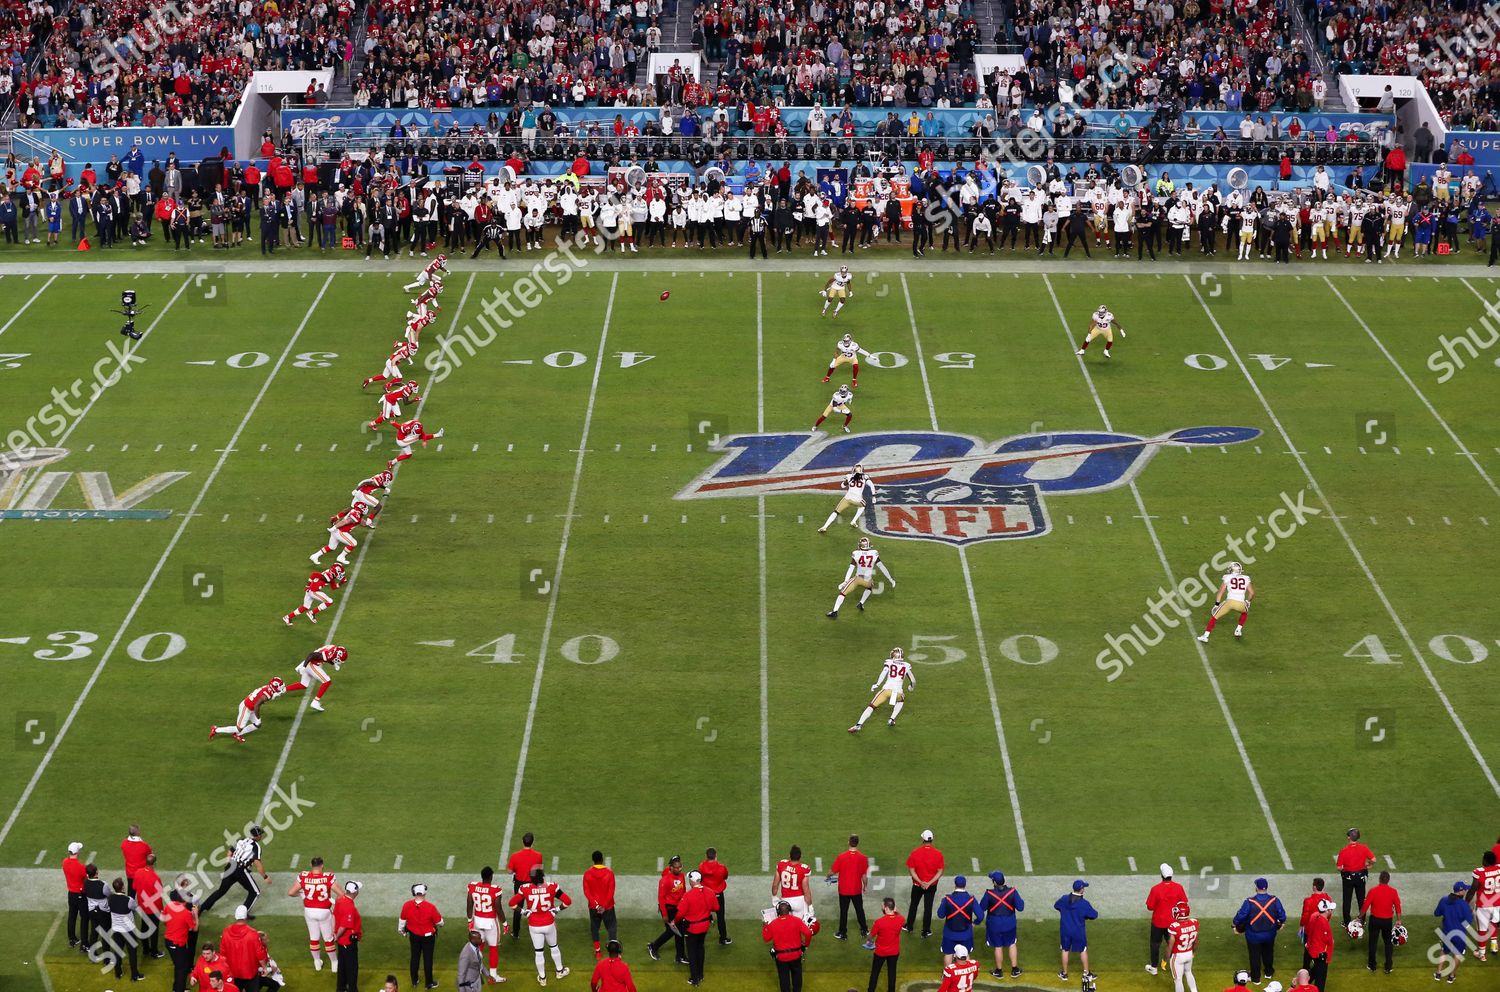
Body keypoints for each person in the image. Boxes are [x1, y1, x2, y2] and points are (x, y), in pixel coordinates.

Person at [509, 866, 571, 985]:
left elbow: (511, 904)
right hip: (549, 922)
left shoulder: (525, 888)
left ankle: (542, 978)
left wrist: (524, 912)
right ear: (542, 876)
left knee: (539, 952)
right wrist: (556, 910)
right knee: (554, 947)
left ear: (531, 879)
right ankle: (559, 971)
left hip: (534, 924)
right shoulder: (552, 886)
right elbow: (567, 901)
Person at [201, 826, 269, 917]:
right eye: (260, 834)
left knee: (221, 891)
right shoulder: (256, 847)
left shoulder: (241, 840)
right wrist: (265, 877)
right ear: (257, 836)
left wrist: (230, 864)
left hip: (231, 867)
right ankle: (243, 913)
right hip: (240, 870)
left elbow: (229, 852)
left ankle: (201, 908)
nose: (261, 836)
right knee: (255, 892)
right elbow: (257, 864)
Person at [1232, 877, 1284, 984]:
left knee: (1254, 956)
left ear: (1256, 887)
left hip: (1253, 936)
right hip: (1270, 934)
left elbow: (1241, 915)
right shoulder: (1275, 900)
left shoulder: (1249, 902)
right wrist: (1281, 922)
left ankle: (1256, 979)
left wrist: (1234, 923)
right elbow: (1282, 915)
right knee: (1268, 953)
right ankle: (1268, 972)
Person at [1146, 864, 1190, 975]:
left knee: (1155, 944)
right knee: (1173, 944)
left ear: (1161, 875)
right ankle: (1175, 965)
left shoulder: (1155, 889)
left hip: (1158, 922)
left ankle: (1154, 967)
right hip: (1173, 923)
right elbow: (1184, 902)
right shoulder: (1178, 887)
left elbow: (1150, 907)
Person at [762, 901, 815, 992]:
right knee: (797, 976)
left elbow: (766, 938)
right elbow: (808, 933)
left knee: (784, 979)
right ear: (789, 910)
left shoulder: (773, 924)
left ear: (778, 912)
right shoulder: (797, 920)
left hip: (781, 958)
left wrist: (765, 927)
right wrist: (806, 945)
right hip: (796, 955)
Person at [466, 866, 507, 981]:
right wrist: (505, 923)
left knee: (479, 946)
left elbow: (469, 903)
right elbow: (498, 908)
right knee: (493, 948)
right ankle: (493, 976)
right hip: (490, 922)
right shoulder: (495, 889)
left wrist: (470, 920)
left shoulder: (473, 886)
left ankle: (476, 971)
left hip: (477, 920)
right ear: (491, 877)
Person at [979, 871, 1023, 978]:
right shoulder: (1012, 891)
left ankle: (999, 971)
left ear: (994, 882)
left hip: (994, 924)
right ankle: (1015, 969)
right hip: (1009, 923)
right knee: (1012, 944)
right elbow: (1021, 907)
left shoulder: (989, 893)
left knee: (998, 946)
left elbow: (982, 908)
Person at [399, 884, 443, 989]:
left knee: (414, 957)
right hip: (428, 937)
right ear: (424, 893)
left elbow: (402, 921)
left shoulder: (406, 905)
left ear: (414, 893)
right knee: (428, 959)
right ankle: (429, 983)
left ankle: (414, 980)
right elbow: (440, 922)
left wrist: (402, 931)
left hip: (413, 936)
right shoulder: (430, 907)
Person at [676, 870, 717, 985]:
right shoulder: (709, 891)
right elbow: (716, 907)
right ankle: (700, 975)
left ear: (691, 881)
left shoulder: (688, 895)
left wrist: (674, 921)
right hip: (705, 926)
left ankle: (694, 979)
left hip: (692, 928)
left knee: (692, 952)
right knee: (700, 948)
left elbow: (680, 914)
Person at [1053, 879, 1097, 982]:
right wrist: (1085, 917)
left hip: (1065, 930)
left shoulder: (1064, 899)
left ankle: (1064, 974)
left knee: (1065, 950)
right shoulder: (1084, 903)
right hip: (1078, 931)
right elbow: (1094, 915)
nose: (1084, 889)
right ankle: (1086, 974)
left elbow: (1056, 906)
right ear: (1081, 890)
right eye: (1083, 888)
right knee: (1083, 950)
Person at [647, 855, 687, 964]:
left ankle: (680, 956)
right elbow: (661, 898)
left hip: (678, 908)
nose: (679, 869)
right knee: (672, 931)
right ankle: (653, 946)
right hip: (669, 909)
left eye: (680, 867)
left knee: (679, 932)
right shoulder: (665, 880)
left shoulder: (682, 876)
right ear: (671, 868)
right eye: (676, 867)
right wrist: (664, 914)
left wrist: (684, 905)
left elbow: (683, 891)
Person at [829, 836, 869, 942]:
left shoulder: (841, 857)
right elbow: (864, 875)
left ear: (848, 842)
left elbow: (832, 871)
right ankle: (864, 930)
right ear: (858, 843)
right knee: (860, 910)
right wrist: (865, 886)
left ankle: (843, 933)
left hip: (844, 890)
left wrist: (828, 876)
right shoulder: (863, 858)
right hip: (856, 889)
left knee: (844, 911)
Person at [1359, 871, 1401, 973]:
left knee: (1372, 943)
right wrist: (1399, 920)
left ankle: (1372, 966)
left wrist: (1359, 917)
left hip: (1375, 920)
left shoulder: (1373, 891)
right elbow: (1398, 906)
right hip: (1387, 921)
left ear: (1379, 879)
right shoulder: (1393, 891)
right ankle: (1388, 967)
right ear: (1388, 880)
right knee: (1388, 943)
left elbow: (1365, 907)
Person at [905, 831, 945, 938]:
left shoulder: (915, 852)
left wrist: (920, 881)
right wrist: (929, 883)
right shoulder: (938, 854)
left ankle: (909, 926)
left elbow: (911, 870)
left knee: (914, 905)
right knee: (928, 907)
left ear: (923, 839)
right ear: (932, 839)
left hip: (917, 885)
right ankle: (926, 930)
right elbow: (940, 871)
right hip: (931, 886)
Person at [220, 905, 268, 992]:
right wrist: (264, 968)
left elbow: (223, 953)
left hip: (232, 973)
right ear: (246, 917)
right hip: (250, 973)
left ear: (235, 916)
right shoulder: (252, 933)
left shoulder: (226, 932)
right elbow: (259, 954)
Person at [107, 876, 146, 981]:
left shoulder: (110, 898)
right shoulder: (129, 900)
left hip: (116, 930)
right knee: (132, 953)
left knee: (118, 951)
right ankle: (134, 975)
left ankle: (118, 973)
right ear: (123, 888)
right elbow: (135, 908)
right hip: (128, 931)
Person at [936, 876, 982, 965]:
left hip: (950, 933)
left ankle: (947, 974)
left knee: (948, 953)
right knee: (966, 953)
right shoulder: (971, 899)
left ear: (955, 885)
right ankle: (967, 973)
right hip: (966, 933)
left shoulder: (947, 899)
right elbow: (980, 916)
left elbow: (940, 915)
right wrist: (975, 923)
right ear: (965, 885)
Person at [1435, 882, 1475, 982]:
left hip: (1447, 931)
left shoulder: (1443, 900)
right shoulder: (1464, 904)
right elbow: (1469, 921)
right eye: (1465, 890)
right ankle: (1451, 976)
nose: (1466, 891)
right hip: (1459, 934)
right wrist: (1471, 912)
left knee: (1444, 951)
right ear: (1461, 891)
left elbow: (1436, 913)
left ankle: (1438, 974)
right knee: (1458, 954)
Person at [1336, 828, 1376, 926]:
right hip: (1361, 877)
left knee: (1347, 900)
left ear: (1349, 837)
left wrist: (1345, 868)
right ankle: (1362, 920)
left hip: (1348, 878)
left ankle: (1346, 922)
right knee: (1361, 899)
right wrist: (1368, 865)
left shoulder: (1344, 850)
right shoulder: (1364, 848)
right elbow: (1374, 859)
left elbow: (1339, 867)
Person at [507, 834, 543, 939]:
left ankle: (516, 933)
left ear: (522, 842)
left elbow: (509, 871)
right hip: (532, 884)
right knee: (535, 906)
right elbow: (538, 870)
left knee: (517, 908)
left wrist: (517, 869)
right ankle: (539, 927)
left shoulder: (514, 855)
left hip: (520, 884)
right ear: (533, 842)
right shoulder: (538, 855)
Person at [163, 889, 199, 992]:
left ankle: (178, 988)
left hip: (170, 942)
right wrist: (195, 914)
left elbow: (164, 921)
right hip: (177, 945)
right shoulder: (186, 913)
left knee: (179, 967)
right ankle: (179, 989)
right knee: (182, 969)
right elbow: (195, 928)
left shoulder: (169, 906)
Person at [584, 852, 618, 960]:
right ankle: (614, 953)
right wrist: (603, 905)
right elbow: (611, 891)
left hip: (594, 908)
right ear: (602, 859)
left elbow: (586, 892)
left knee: (595, 928)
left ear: (593, 860)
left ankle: (598, 952)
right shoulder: (609, 873)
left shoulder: (587, 874)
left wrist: (597, 905)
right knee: (611, 928)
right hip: (607, 907)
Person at [1468, 850, 1499, 960]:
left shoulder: (1479, 872)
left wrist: (1465, 903)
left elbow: (1472, 890)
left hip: (1484, 905)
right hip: (1498, 904)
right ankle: (1494, 946)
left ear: (1485, 860)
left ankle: (1482, 954)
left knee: (1482, 929)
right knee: (1494, 923)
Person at [867, 898, 903, 992]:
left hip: (880, 952)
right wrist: (895, 911)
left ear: (886, 908)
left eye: (882, 906)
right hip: (894, 952)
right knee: (892, 973)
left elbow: (871, 936)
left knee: (875, 973)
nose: (881, 907)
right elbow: (899, 916)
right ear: (894, 908)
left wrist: (869, 941)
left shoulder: (879, 922)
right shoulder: (901, 919)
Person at [697, 849, 731, 946]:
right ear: (716, 855)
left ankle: (700, 937)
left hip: (706, 894)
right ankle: (723, 938)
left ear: (706, 856)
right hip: (718, 894)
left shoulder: (702, 866)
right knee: (720, 917)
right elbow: (725, 876)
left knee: (702, 914)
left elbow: (700, 877)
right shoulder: (721, 867)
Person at [334, 880, 363, 992]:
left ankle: (341, 988)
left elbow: (334, 916)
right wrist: (337, 935)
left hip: (342, 941)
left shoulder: (340, 900)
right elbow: (344, 925)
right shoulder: (349, 906)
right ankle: (352, 989)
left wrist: (335, 933)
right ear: (355, 892)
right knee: (352, 968)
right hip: (348, 941)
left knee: (342, 966)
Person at [135, 854, 166, 959]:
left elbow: (134, 887)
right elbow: (159, 896)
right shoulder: (155, 878)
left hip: (142, 906)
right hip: (153, 908)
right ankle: (154, 952)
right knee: (154, 930)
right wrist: (160, 909)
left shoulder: (138, 872)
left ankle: (145, 949)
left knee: (144, 927)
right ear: (155, 863)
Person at [1302, 896, 1333, 991]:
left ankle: (1304, 986)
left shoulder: (1314, 915)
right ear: (1326, 910)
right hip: (1321, 954)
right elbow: (1329, 941)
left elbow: (1308, 931)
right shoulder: (1324, 923)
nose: (1331, 910)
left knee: (1315, 971)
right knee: (1320, 980)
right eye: (1330, 909)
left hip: (1312, 950)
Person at [64, 841, 87, 948]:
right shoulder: (80, 867)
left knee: (72, 916)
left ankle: (72, 939)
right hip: (80, 895)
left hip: (71, 894)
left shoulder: (64, 862)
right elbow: (86, 878)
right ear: (77, 852)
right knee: (84, 918)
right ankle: (84, 942)